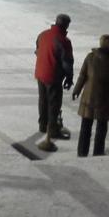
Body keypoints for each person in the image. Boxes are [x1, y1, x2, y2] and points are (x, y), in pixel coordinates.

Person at [71, 35, 109, 157]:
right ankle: (98, 151)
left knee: (86, 126)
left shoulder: (90, 57)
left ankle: (82, 152)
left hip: (88, 96)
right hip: (105, 97)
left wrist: (77, 90)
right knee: (101, 127)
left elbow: (82, 76)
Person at [34, 14, 74, 151]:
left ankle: (42, 125)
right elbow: (67, 62)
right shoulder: (63, 41)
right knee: (54, 103)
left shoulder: (43, 35)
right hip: (53, 76)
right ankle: (52, 130)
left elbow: (37, 50)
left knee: (43, 100)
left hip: (40, 73)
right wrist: (69, 78)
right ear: (66, 25)